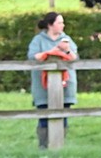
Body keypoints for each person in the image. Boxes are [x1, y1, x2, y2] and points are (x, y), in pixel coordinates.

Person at [27, 12, 79, 149]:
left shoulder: (67, 39)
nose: (63, 25)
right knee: (44, 116)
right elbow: (33, 57)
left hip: (65, 84)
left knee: (63, 115)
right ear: (50, 25)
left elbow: (74, 58)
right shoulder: (38, 40)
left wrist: (67, 50)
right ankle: (43, 145)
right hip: (43, 86)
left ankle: (59, 145)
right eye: (59, 22)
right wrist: (53, 51)